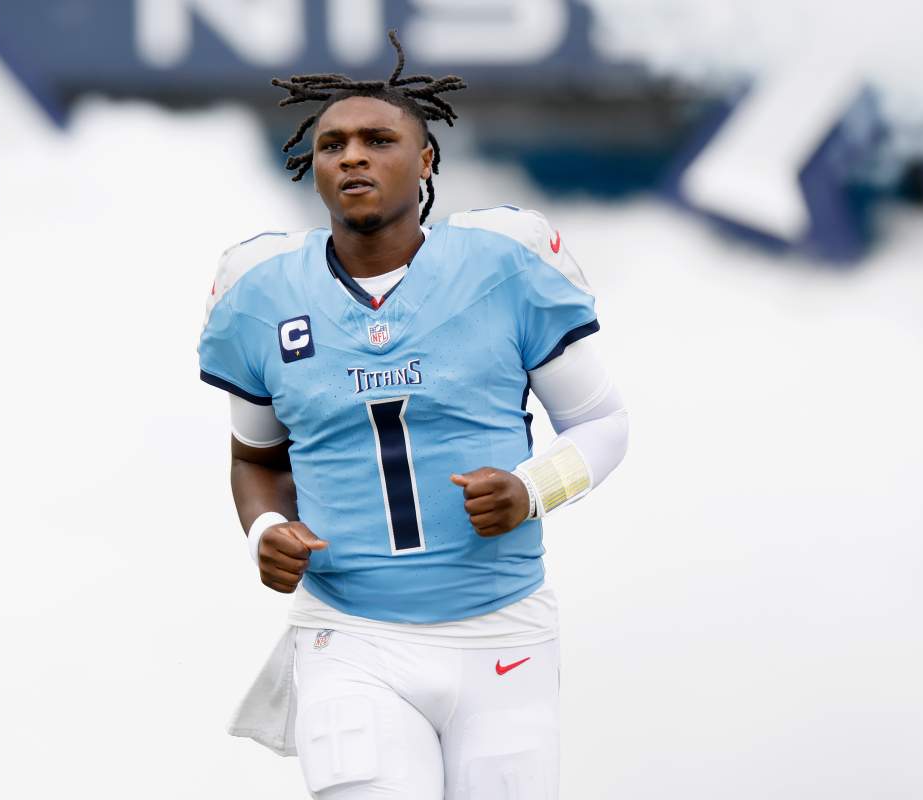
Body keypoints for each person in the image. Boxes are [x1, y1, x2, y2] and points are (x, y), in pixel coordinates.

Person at [198, 30, 628, 799]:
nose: (352, 157)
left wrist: (532, 490)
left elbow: (602, 425)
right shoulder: (260, 291)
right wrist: (265, 531)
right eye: (332, 144)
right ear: (312, 166)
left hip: (503, 628)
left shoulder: (504, 263)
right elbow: (255, 459)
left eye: (378, 139)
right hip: (350, 635)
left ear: (426, 159)